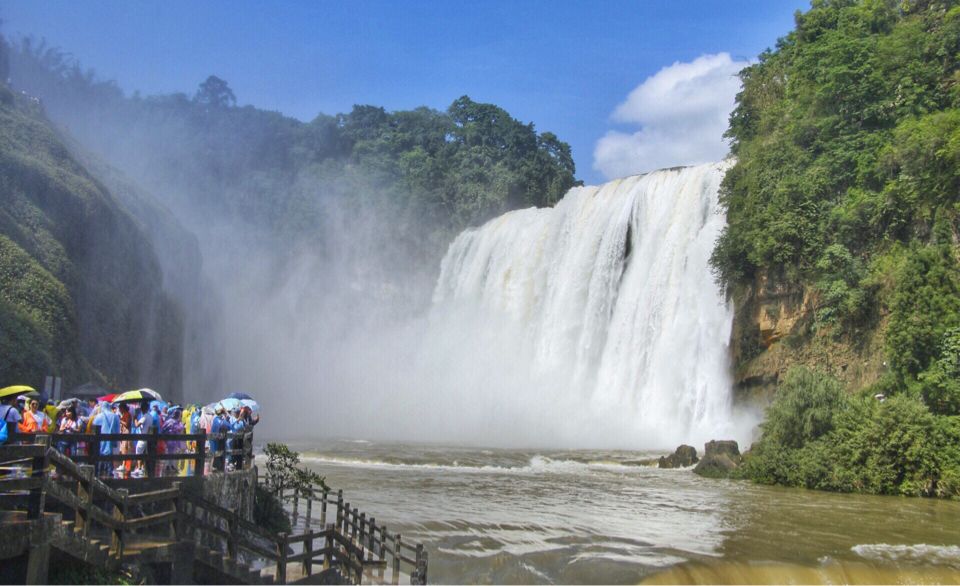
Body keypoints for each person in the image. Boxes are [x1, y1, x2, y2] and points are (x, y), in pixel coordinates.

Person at [93, 402, 121, 477]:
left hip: (100, 441)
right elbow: (117, 430)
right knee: (109, 458)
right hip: (110, 440)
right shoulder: (115, 416)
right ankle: (109, 475)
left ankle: (99, 474)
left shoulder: (98, 416)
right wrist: (116, 441)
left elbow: (93, 427)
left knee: (100, 457)